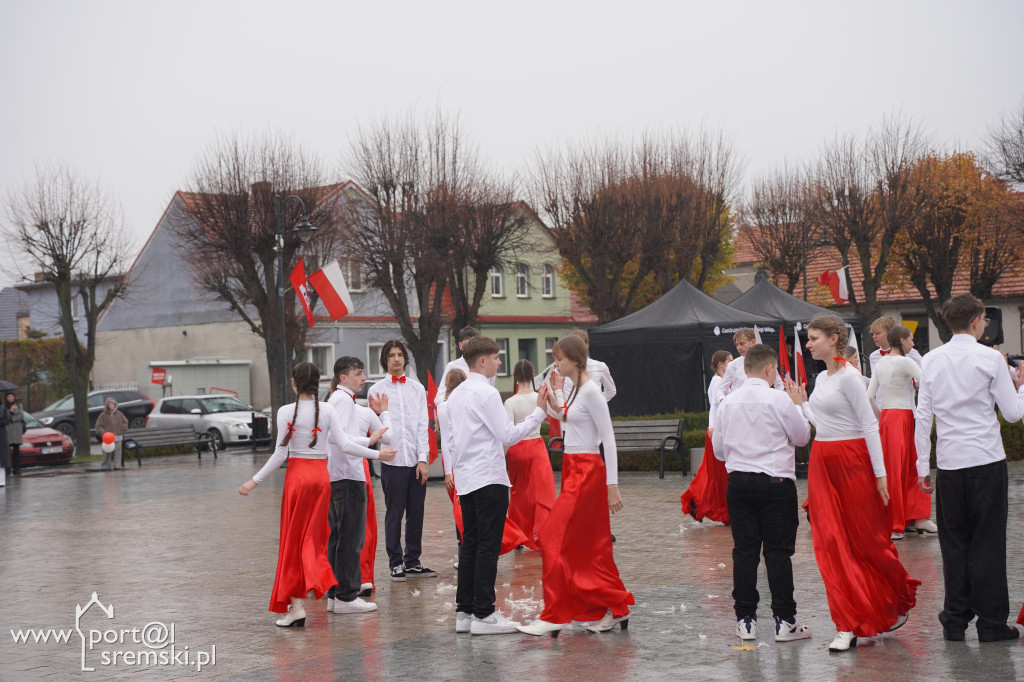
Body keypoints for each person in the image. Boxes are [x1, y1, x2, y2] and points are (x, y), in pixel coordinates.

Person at [238, 362, 395, 627]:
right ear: (318, 384)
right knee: (319, 540)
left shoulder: (286, 411)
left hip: (298, 479)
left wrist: (255, 481)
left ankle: (296, 603)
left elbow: (280, 453)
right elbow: (344, 443)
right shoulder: (329, 409)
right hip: (321, 479)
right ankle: (323, 588)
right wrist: (376, 453)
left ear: (293, 383)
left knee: (294, 543)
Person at [798, 314, 919, 651]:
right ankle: (846, 624)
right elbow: (821, 424)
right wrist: (802, 406)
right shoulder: (821, 379)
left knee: (867, 542)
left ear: (834, 339)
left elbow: (869, 425)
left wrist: (880, 475)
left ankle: (894, 596)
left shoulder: (851, 378)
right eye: (808, 338)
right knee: (830, 544)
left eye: (813, 338)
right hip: (823, 462)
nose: (808, 344)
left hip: (853, 463)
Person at [915, 294, 1024, 643]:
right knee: (988, 543)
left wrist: (921, 465)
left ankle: (955, 620)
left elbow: (922, 418)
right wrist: (1021, 387)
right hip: (985, 460)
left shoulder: (930, 360)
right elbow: (1012, 413)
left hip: (949, 463)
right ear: (977, 320)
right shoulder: (990, 359)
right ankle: (992, 623)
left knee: (954, 544)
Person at [518, 335, 634, 637]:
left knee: (553, 537)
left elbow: (607, 438)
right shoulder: (575, 391)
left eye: (559, 359)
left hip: (587, 472)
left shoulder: (592, 392)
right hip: (572, 469)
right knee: (585, 546)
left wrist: (612, 485)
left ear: (575, 359)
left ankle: (555, 613)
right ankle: (615, 606)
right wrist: (551, 402)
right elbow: (569, 419)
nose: (555, 364)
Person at [446, 337, 550, 635]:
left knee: (470, 545)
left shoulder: (456, 395)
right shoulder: (487, 393)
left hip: (467, 479)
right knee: (487, 547)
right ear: (482, 361)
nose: (499, 363)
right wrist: (539, 413)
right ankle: (485, 614)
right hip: (488, 477)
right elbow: (507, 434)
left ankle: (465, 612)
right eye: (495, 357)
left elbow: (451, 442)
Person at [713, 344, 812, 642]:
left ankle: (746, 620)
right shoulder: (779, 399)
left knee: (744, 552)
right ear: (770, 369)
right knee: (778, 553)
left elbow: (718, 450)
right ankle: (785, 621)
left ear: (745, 369)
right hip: (776, 482)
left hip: (739, 483)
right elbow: (802, 436)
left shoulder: (727, 403)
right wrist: (797, 405)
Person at [325, 356, 395, 615]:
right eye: (358, 373)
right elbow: (338, 440)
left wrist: (372, 438)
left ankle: (336, 593)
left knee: (339, 537)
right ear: (343, 378)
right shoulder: (342, 401)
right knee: (350, 538)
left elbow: (340, 438)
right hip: (347, 476)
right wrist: (372, 445)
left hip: (340, 476)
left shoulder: (342, 401)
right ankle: (345, 595)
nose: (363, 378)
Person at [367, 339, 435, 581]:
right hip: (392, 461)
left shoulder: (417, 389)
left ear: (406, 358)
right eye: (391, 355)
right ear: (384, 360)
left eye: (399, 355)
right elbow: (376, 429)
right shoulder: (375, 390)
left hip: (414, 461)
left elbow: (421, 426)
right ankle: (395, 562)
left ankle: (413, 561)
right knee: (394, 513)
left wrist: (423, 459)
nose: (396, 359)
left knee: (416, 512)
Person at [867, 326, 935, 540]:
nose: (913, 344)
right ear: (902, 340)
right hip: (903, 416)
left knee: (893, 468)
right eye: (911, 340)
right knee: (907, 467)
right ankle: (901, 522)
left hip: (887, 417)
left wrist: (881, 417)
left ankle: (901, 520)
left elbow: (869, 396)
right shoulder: (906, 362)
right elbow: (928, 382)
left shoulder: (881, 363)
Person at [503, 360, 559, 550]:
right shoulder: (539, 397)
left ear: (515, 377)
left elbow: (507, 432)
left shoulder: (510, 402)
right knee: (541, 492)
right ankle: (542, 532)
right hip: (536, 446)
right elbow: (557, 413)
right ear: (532, 375)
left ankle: (519, 534)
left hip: (517, 449)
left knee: (519, 492)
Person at [681, 350, 733, 524]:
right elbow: (717, 407)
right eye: (729, 361)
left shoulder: (721, 382)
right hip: (717, 433)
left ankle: (701, 503)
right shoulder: (718, 382)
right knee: (716, 475)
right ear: (720, 364)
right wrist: (714, 429)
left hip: (718, 432)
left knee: (713, 474)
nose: (732, 365)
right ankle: (698, 502)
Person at [716, 329, 784, 405]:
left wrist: (775, 401)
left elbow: (779, 384)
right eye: (737, 344)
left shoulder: (766, 361)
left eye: (742, 343)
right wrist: (723, 401)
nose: (739, 348)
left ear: (753, 342)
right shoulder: (733, 365)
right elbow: (720, 389)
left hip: (762, 408)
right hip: (740, 409)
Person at [868, 316, 922, 408]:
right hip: (883, 409)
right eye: (873, 333)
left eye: (877, 333)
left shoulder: (910, 353)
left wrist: (913, 380)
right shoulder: (873, 357)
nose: (874, 336)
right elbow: (875, 386)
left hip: (906, 408)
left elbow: (925, 374)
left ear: (889, 333)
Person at [557, 329, 616, 402]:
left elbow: (611, 390)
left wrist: (598, 403)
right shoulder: (561, 369)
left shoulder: (600, 366)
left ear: (586, 346)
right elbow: (553, 394)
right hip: (570, 412)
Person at [438, 327, 495, 401]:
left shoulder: (486, 366)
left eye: (474, 344)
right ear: (460, 346)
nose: (471, 348)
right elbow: (440, 397)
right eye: (468, 344)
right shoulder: (452, 366)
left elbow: (491, 392)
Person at [95, 398, 129, 470]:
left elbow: (125, 422)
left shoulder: (119, 414)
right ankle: (105, 466)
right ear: (107, 405)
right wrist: (103, 433)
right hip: (107, 438)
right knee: (107, 452)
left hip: (118, 436)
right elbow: (98, 426)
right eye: (110, 404)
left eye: (113, 404)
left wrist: (122, 429)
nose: (112, 405)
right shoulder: (103, 415)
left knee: (118, 451)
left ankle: (117, 466)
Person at [6, 395, 23, 476]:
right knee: (7, 452)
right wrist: (11, 411)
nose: (10, 398)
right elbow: (5, 417)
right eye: (8, 397)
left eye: (12, 396)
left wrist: (12, 419)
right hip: (8, 431)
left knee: (16, 451)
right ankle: (8, 470)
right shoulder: (3, 407)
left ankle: (17, 469)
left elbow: (21, 416)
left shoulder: (19, 405)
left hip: (16, 431)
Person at [0, 394, 9, 487]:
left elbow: (6, 421)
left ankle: (1, 481)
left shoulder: (3, 410)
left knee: (2, 460)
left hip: (1, 437)